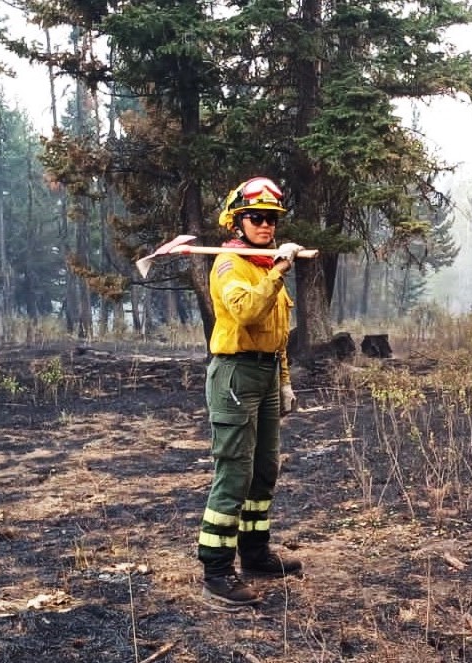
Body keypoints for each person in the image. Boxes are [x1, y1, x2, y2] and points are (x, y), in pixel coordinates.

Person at [197, 176, 305, 608]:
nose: (266, 226)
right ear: (237, 221)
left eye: (271, 219)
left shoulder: (263, 264)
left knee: (264, 470)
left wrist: (284, 380)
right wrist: (279, 270)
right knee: (234, 474)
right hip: (235, 376)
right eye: (256, 218)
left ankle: (255, 555)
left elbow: (277, 333)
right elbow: (246, 311)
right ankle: (216, 571)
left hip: (264, 376)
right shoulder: (230, 265)